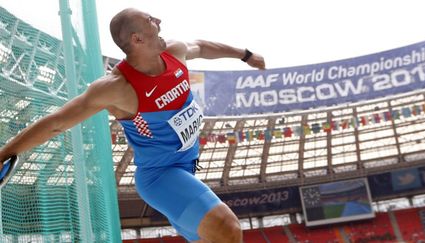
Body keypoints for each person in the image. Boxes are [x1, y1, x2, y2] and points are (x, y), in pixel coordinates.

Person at [0, 7, 265, 243]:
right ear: (137, 39)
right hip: (161, 177)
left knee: (213, 237)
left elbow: (202, 46)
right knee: (228, 228)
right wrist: (3, 154)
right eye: (151, 20)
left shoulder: (175, 52)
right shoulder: (116, 88)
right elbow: (56, 123)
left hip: (187, 168)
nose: (159, 20)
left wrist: (245, 54)